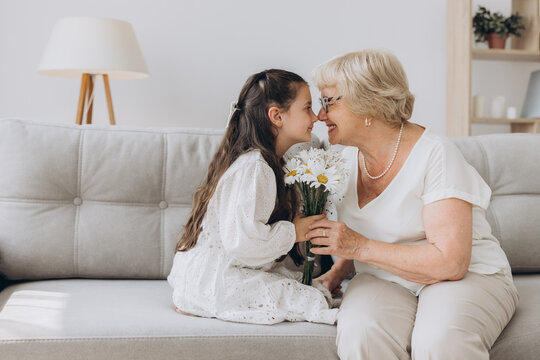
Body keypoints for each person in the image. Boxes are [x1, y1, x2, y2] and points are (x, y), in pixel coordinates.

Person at [306, 50, 519, 359]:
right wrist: (338, 272)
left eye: (329, 102)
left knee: (439, 341)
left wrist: (357, 247)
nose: (320, 115)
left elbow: (451, 263)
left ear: (370, 105)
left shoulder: (436, 154)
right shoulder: (346, 161)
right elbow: (376, 228)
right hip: (385, 277)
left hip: (467, 274)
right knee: (360, 332)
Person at [167, 69, 339, 325]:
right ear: (277, 116)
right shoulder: (255, 167)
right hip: (218, 277)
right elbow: (244, 243)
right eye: (307, 108)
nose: (315, 117)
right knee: (310, 300)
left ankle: (201, 299)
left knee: (314, 290)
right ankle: (204, 300)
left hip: (215, 273)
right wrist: (295, 231)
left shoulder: (266, 163)